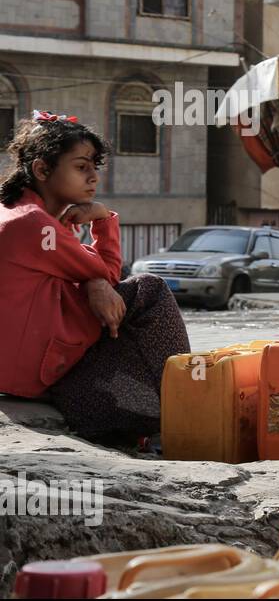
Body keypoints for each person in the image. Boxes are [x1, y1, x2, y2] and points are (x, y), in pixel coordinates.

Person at [0, 112, 190, 444]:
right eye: (81, 166)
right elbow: (109, 271)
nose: (93, 178)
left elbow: (90, 271)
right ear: (42, 170)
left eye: (94, 167)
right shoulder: (35, 225)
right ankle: (191, 401)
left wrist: (92, 280)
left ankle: (148, 419)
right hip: (37, 374)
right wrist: (102, 221)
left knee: (126, 348)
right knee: (149, 290)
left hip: (26, 368)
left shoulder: (22, 215)